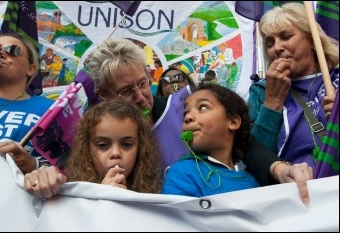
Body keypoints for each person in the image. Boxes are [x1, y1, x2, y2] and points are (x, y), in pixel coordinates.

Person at [26, 38, 312, 205]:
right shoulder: (93, 132)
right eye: (126, 91)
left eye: (143, 83)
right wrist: (35, 172)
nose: (141, 97)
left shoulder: (180, 108)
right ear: (102, 94)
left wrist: (277, 167)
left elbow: (239, 141)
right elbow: (69, 180)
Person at [248, 3, 339, 170]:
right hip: (294, 190)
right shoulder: (261, 92)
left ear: (312, 40)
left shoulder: (336, 79)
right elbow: (254, 157)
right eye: (269, 43)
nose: (277, 48)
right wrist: (273, 101)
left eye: (286, 36)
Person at [24, 98, 161, 197]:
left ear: (141, 148)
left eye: (126, 145)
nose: (115, 153)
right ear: (87, 149)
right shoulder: (70, 192)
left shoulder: (156, 193)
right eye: (103, 145)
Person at [162, 84, 260, 197]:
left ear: (233, 122)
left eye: (203, 107)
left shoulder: (253, 179)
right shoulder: (182, 173)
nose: (187, 117)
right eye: (186, 112)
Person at [0, 33, 54, 174]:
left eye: (12, 50)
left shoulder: (52, 109)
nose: (0, 54)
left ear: (30, 69)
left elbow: (69, 165)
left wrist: (34, 165)